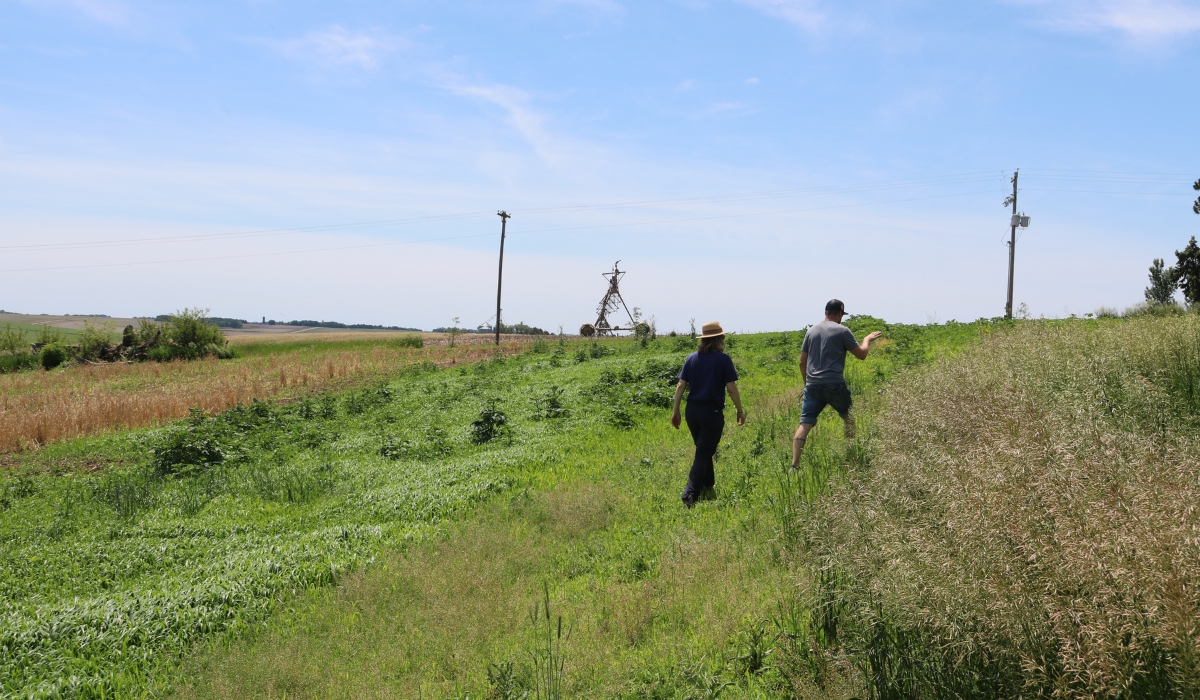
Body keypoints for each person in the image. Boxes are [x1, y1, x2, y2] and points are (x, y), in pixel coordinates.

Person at [792, 300, 882, 468]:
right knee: (848, 418)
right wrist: (867, 339)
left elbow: (801, 362)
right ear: (840, 313)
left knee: (805, 424)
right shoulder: (843, 331)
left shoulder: (811, 331)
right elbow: (861, 355)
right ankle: (851, 457)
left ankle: (794, 466)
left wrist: (807, 385)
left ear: (826, 312)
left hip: (812, 385)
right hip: (834, 384)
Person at [671, 320, 746, 507]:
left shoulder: (692, 358)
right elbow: (732, 389)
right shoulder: (723, 359)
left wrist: (676, 411)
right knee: (704, 453)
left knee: (703, 448)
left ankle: (707, 485)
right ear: (719, 338)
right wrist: (739, 410)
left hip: (692, 411)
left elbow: (680, 385)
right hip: (711, 413)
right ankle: (690, 495)